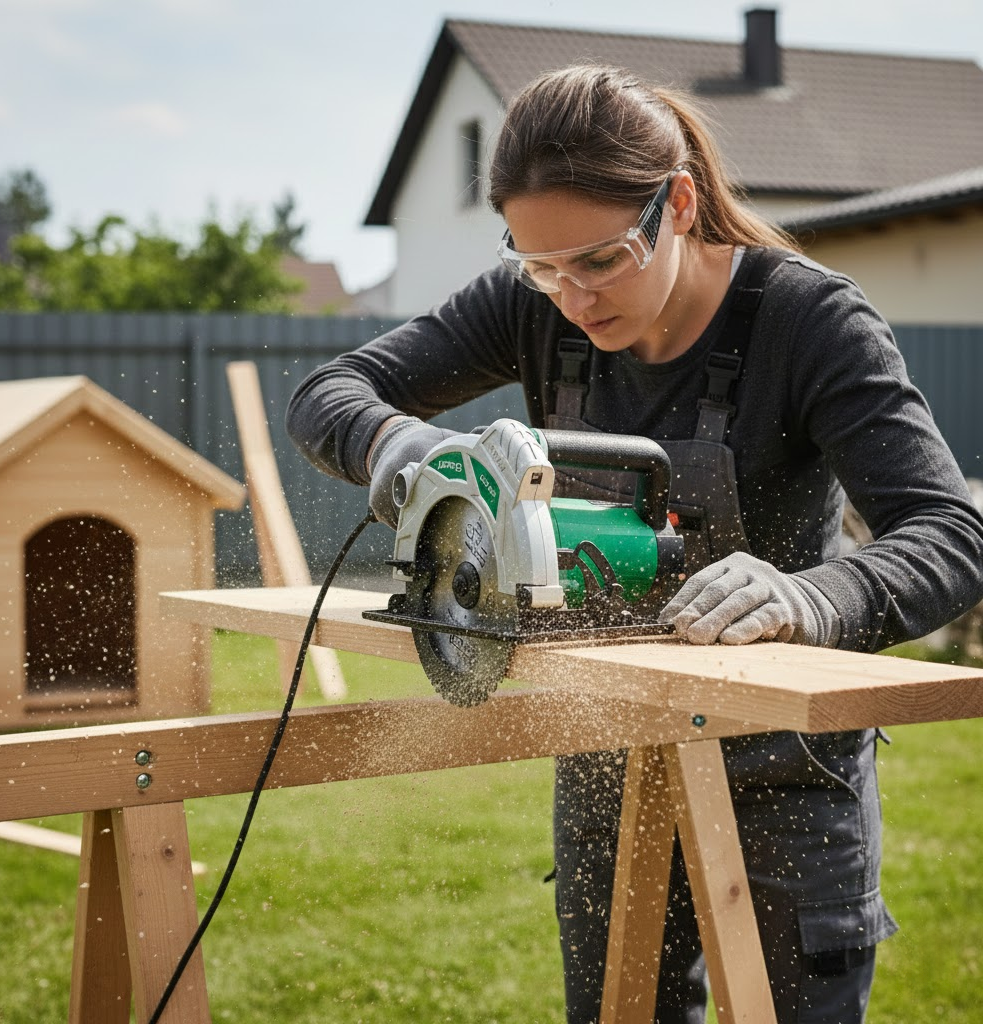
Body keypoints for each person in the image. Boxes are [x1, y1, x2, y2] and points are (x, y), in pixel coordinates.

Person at [287, 63, 983, 1024]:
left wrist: (810, 597)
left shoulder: (810, 320)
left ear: (680, 204)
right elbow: (327, 395)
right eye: (540, 265)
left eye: (601, 260)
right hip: (608, 753)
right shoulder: (534, 303)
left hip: (784, 779)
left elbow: (950, 534)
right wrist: (408, 452)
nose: (571, 295)